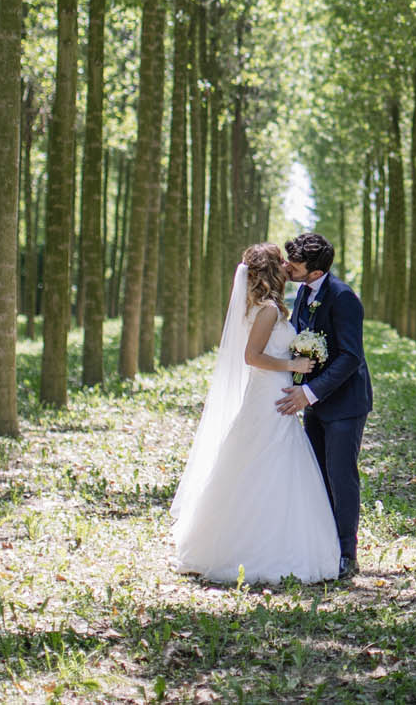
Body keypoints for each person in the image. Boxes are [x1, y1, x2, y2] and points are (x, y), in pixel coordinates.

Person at [169, 243, 340, 584]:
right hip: (268, 394)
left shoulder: (269, 307)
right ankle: (255, 549)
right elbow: (252, 356)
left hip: (274, 391)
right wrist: (293, 363)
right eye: (282, 261)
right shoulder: (268, 311)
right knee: (269, 461)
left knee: (269, 462)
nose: (288, 265)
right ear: (273, 270)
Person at [274, 231, 371, 579]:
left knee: (341, 476)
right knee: (316, 475)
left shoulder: (344, 298)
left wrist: (309, 393)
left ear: (315, 272)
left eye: (294, 265)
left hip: (344, 403)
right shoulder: (302, 292)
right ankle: (322, 545)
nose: (287, 267)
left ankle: (347, 553)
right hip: (313, 402)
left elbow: (350, 356)